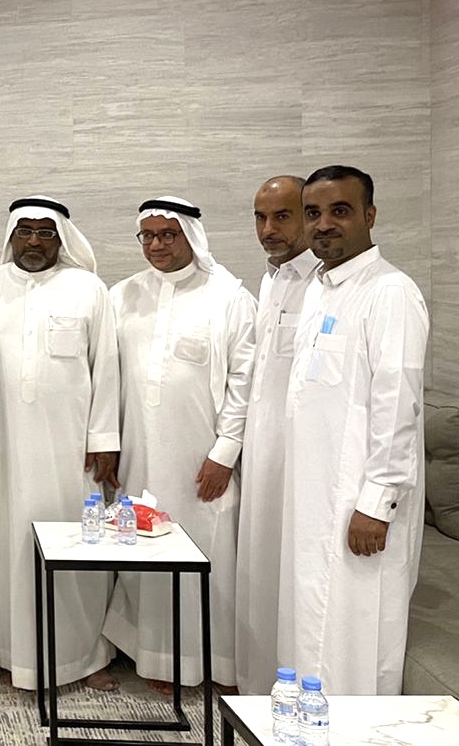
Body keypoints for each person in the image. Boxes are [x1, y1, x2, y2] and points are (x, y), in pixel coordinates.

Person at [279, 166, 428, 696]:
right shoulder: (320, 290)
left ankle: (356, 727)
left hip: (359, 501)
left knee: (359, 629)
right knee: (313, 619)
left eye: (339, 211)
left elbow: (398, 404)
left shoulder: (390, 292)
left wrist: (377, 502)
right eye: (313, 213)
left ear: (369, 215)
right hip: (316, 493)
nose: (323, 224)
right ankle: (309, 718)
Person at [104, 196, 255, 692]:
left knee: (208, 555)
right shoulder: (122, 296)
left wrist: (224, 453)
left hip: (202, 459)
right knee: (144, 554)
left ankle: (212, 660)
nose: (156, 245)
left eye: (167, 234)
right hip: (138, 454)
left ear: (190, 235)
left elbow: (244, 381)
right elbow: (106, 378)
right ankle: (158, 658)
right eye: (147, 235)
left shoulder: (229, 297)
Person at [0, 196, 121, 692]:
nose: (34, 241)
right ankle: (6, 651)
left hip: (69, 449)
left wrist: (104, 439)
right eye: (25, 231)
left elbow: (107, 368)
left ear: (61, 239)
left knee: (73, 543)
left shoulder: (88, 289)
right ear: (11, 236)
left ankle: (79, 655)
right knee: (4, 547)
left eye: (45, 232)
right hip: (0, 449)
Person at [233, 177, 319, 696]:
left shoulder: (325, 285)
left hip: (302, 461)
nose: (268, 229)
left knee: (294, 578)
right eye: (260, 217)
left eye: (282, 216)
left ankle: (290, 687)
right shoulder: (271, 281)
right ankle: (260, 682)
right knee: (262, 572)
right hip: (262, 453)